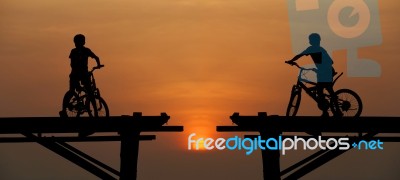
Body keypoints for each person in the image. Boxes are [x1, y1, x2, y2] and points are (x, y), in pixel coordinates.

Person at [286, 33, 343, 118]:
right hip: (324, 71)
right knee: (322, 90)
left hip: (326, 72)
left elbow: (300, 55)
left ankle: (336, 112)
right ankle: (327, 112)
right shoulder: (319, 49)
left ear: (311, 42)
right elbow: (331, 62)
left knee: (323, 90)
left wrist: (291, 60)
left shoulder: (314, 49)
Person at [59, 34, 103, 117]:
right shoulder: (85, 50)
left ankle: (63, 110)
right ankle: (95, 113)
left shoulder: (74, 51)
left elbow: (72, 64)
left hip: (76, 74)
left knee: (72, 92)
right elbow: (96, 58)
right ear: (83, 42)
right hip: (81, 74)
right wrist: (98, 65)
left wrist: (98, 64)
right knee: (89, 92)